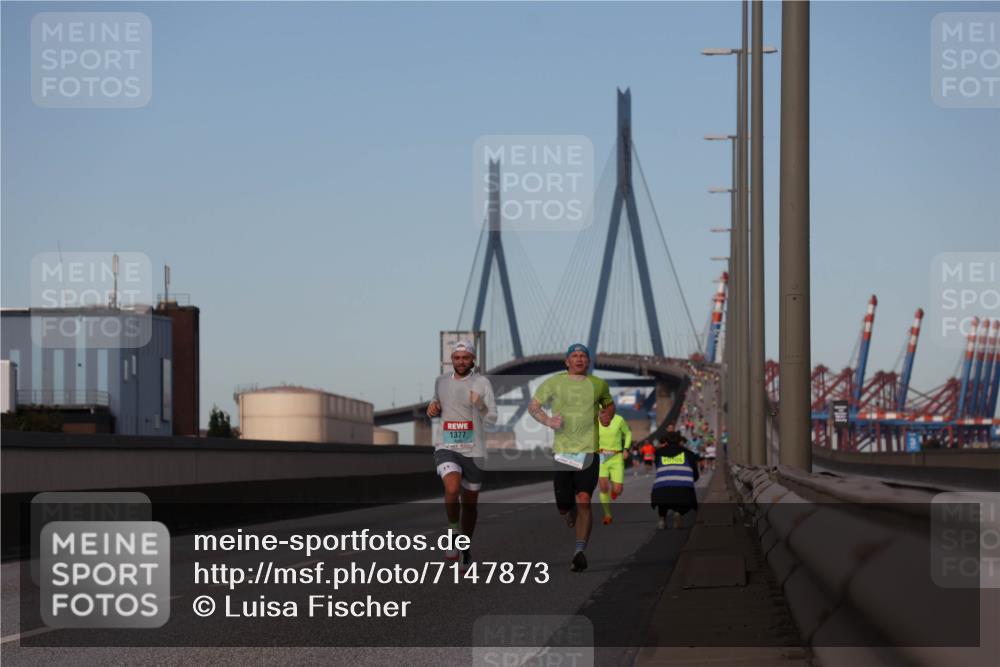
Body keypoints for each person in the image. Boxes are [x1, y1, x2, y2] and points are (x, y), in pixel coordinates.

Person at [529, 343, 614, 572]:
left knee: (584, 499)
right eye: (574, 356)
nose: (579, 359)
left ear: (588, 361)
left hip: (589, 451)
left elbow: (609, 405)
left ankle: (579, 551)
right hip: (563, 453)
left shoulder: (598, 384)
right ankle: (568, 513)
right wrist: (548, 421)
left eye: (583, 356)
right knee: (564, 507)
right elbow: (533, 407)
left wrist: (607, 416)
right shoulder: (554, 383)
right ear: (567, 361)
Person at [427, 340, 497, 567]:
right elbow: (437, 402)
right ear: (451, 359)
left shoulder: (482, 383)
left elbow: (492, 419)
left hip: (474, 451)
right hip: (446, 446)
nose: (460, 362)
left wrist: (480, 405)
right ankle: (453, 531)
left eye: (465, 358)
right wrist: (433, 407)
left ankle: (465, 548)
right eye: (457, 358)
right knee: (451, 487)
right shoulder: (441, 381)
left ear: (473, 359)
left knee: (470, 506)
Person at [651, 434, 700, 529]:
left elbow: (658, 468)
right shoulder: (688, 453)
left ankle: (662, 519)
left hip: (661, 491)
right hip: (683, 489)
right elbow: (695, 475)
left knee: (663, 494)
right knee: (684, 495)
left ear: (666, 441)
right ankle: (678, 513)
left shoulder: (659, 453)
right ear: (680, 441)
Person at [597, 412, 631, 525]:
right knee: (603, 487)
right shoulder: (595, 421)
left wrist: (626, 449)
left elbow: (628, 433)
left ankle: (614, 491)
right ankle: (607, 515)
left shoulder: (619, 419)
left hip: (616, 457)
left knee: (618, 490)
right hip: (601, 458)